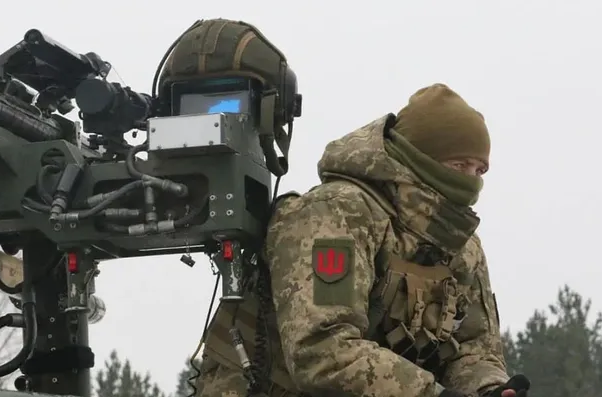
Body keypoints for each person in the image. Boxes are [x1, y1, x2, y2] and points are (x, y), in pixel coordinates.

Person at [195, 83, 531, 397]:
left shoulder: (462, 246)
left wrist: (487, 389)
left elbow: (473, 349)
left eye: (479, 170)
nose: (471, 181)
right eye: (459, 164)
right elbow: (323, 351)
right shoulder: (336, 214)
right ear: (420, 158)